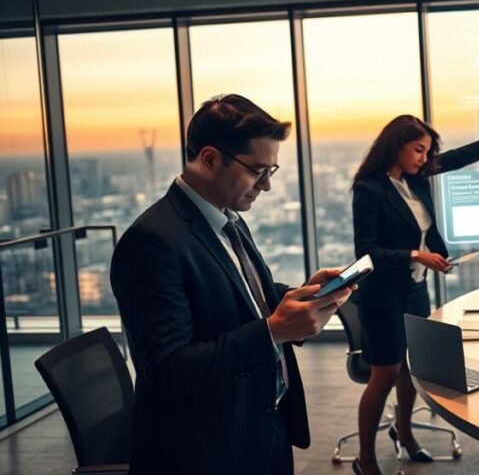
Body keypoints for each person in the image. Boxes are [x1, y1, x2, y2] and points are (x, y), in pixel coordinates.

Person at [110, 94, 353, 475]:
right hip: (206, 451)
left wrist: (306, 293)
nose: (267, 186)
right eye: (258, 171)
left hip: (260, 430)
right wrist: (273, 331)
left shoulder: (227, 218)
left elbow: (243, 296)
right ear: (209, 159)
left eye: (272, 171)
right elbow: (167, 371)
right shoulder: (152, 242)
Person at [350, 105, 479, 475]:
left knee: (411, 369)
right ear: (396, 146)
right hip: (383, 297)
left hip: (416, 289)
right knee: (384, 374)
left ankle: (403, 431)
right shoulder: (368, 190)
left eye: (427, 150)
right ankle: (365, 459)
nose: (425, 157)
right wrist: (418, 254)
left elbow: (456, 158)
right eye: (418, 149)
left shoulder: (415, 179)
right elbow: (366, 251)